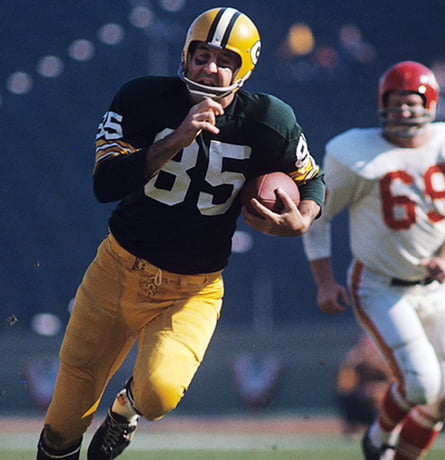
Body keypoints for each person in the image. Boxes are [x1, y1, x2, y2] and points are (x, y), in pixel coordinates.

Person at [36, 7, 325, 460]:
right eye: (202, 55)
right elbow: (105, 183)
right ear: (185, 56)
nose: (210, 68)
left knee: (159, 393)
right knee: (62, 423)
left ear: (245, 67)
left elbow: (311, 180)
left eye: (224, 59)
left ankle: (124, 411)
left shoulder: (270, 118)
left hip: (193, 288)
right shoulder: (141, 98)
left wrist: (302, 218)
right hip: (116, 270)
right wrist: (174, 139)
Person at [302, 60, 445, 460]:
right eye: (396, 102)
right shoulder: (355, 152)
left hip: (436, 289)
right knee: (421, 384)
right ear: (380, 103)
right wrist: (324, 281)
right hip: (379, 285)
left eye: (412, 102)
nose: (404, 111)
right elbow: (316, 216)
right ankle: (378, 438)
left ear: (430, 103)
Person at [336, 334, 393, 435]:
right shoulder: (356, 366)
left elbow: (394, 384)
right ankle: (352, 426)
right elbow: (344, 386)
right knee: (346, 398)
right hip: (361, 404)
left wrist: (379, 389)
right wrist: (350, 363)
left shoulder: (385, 364)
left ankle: (384, 426)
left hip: (381, 404)